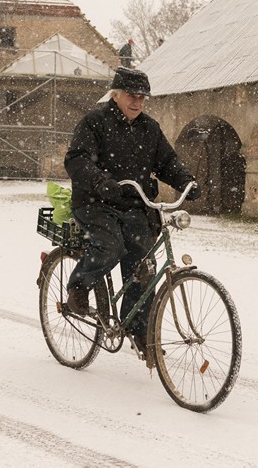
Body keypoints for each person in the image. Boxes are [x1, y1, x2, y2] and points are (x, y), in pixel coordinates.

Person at [63, 66, 201, 359]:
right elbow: (76, 160)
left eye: (142, 96)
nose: (137, 101)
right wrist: (101, 181)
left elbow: (166, 162)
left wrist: (186, 180)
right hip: (94, 204)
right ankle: (78, 286)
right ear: (116, 94)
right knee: (110, 246)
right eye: (131, 95)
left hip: (134, 205)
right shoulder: (95, 122)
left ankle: (138, 329)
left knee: (143, 265)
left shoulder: (149, 128)